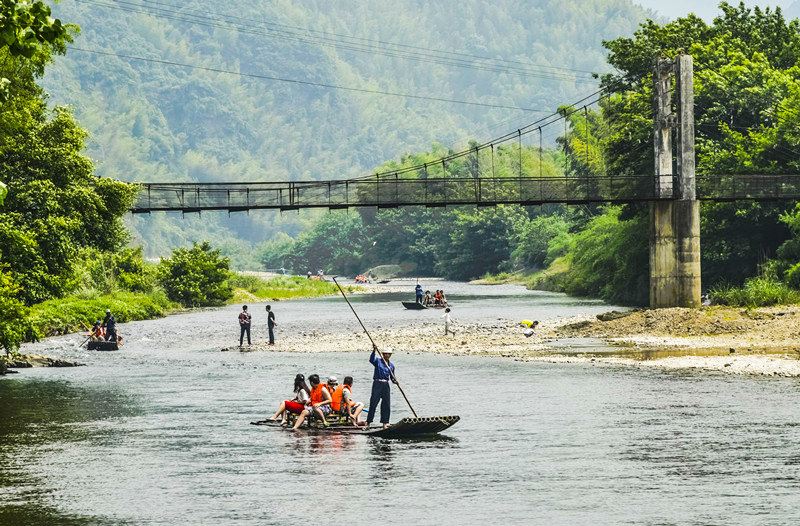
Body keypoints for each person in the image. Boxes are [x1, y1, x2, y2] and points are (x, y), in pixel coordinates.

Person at [367, 346, 395, 429]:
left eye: (388, 354)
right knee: (373, 403)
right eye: (385, 353)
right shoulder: (378, 361)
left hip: (386, 385)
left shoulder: (391, 365)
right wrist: (374, 351)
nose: (387, 355)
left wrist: (395, 381)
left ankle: (385, 423)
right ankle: (368, 423)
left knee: (386, 404)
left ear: (390, 355)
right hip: (377, 383)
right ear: (383, 354)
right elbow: (371, 360)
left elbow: (392, 378)